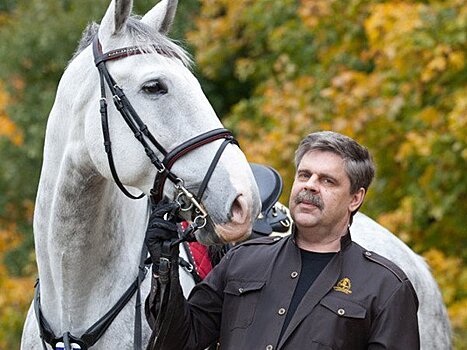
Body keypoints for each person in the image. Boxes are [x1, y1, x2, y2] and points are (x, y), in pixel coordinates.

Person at [145, 131, 420, 350]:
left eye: (327, 181)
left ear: (355, 198)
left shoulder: (386, 287)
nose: (310, 185)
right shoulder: (242, 260)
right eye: (304, 175)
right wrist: (164, 269)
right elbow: (180, 341)